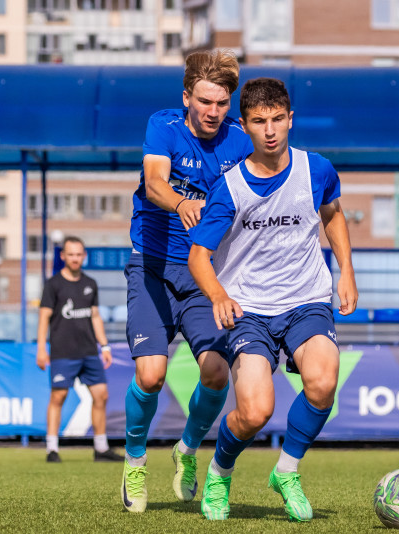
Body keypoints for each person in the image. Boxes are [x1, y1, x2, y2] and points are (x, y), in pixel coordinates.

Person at [187, 77, 358, 522]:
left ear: (290, 119)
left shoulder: (316, 169)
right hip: (249, 310)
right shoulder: (229, 188)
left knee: (322, 382)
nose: (270, 130)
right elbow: (199, 256)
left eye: (277, 119)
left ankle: (287, 470)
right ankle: (221, 471)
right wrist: (218, 294)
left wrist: (347, 273)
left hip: (306, 299)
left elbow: (333, 215)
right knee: (255, 410)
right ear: (244, 126)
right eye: (259, 121)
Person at [122, 49, 253, 513]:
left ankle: (187, 449)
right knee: (151, 374)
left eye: (222, 104)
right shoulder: (164, 126)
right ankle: (135, 460)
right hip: (152, 266)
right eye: (205, 102)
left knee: (217, 374)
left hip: (202, 273)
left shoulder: (240, 142)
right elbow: (154, 181)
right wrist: (180, 203)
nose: (213, 112)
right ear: (187, 97)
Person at [36, 236, 124, 463]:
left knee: (101, 396)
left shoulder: (90, 283)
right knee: (59, 396)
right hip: (63, 351)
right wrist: (41, 349)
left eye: (79, 254)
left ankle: (100, 448)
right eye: (71, 254)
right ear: (63, 256)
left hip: (88, 351)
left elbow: (95, 316)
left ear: (84, 256)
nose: (75, 258)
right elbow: (44, 317)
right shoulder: (53, 284)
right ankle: (52, 448)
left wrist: (104, 345)